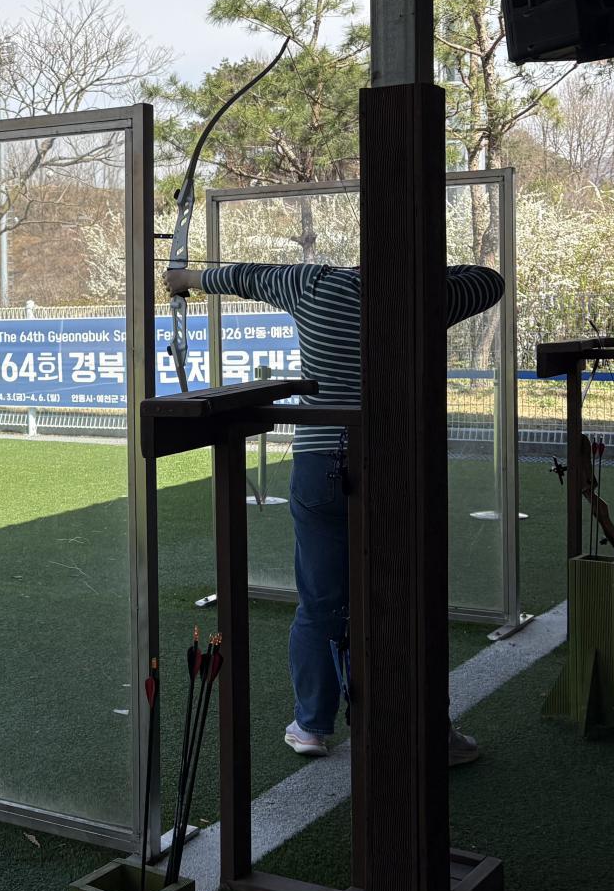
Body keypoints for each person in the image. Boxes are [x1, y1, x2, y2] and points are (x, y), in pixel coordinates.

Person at [163, 257, 504, 765]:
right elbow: (488, 280)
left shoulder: (310, 283)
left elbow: (242, 276)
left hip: (320, 462)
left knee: (321, 603)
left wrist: (185, 280)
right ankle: (425, 731)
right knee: (406, 598)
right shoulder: (421, 295)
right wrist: (419, 272)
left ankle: (311, 724)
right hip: (394, 465)